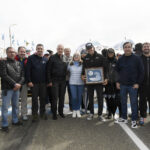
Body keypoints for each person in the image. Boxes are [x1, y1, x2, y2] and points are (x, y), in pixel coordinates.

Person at [115, 42, 144, 128]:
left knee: (134, 103)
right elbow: (117, 71)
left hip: (133, 85)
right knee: (123, 102)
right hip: (123, 85)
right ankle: (124, 118)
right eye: (125, 47)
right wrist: (117, 81)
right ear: (123, 48)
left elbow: (141, 72)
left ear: (131, 48)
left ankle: (134, 120)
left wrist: (138, 83)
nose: (127, 48)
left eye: (129, 47)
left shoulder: (137, 58)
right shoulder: (120, 59)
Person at [0, 47, 24, 132]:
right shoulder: (3, 62)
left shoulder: (18, 63)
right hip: (7, 89)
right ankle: (4, 125)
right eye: (10, 52)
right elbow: (4, 75)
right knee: (5, 108)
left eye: (13, 52)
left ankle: (15, 120)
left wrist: (19, 84)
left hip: (16, 89)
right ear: (6, 53)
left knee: (16, 106)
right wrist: (15, 84)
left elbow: (22, 76)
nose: (12, 53)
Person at [82, 43, 108, 121]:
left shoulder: (101, 57)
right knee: (91, 98)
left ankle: (100, 114)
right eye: (88, 49)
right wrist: (82, 75)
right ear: (87, 49)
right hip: (90, 82)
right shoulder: (85, 58)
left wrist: (106, 78)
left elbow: (105, 69)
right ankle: (91, 113)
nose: (90, 50)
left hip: (99, 82)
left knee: (100, 98)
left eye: (91, 48)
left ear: (93, 48)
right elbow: (84, 69)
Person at [26, 44, 48, 122]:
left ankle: (42, 113)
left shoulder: (46, 59)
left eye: (41, 48)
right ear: (36, 49)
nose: (40, 50)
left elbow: (47, 72)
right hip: (34, 83)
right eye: (38, 48)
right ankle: (34, 114)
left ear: (43, 49)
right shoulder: (31, 58)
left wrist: (48, 82)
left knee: (43, 99)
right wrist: (29, 81)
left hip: (43, 83)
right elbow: (27, 71)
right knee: (34, 100)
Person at [47, 44, 67, 120]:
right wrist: (49, 81)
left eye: (61, 49)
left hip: (63, 80)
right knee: (55, 98)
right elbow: (48, 70)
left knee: (62, 97)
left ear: (63, 49)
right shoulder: (52, 57)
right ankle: (54, 113)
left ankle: (61, 112)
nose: (60, 50)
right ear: (56, 49)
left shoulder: (64, 57)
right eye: (59, 48)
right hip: (54, 80)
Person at [104, 48, 121, 119]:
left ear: (114, 53)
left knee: (117, 99)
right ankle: (110, 113)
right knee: (108, 99)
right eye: (109, 53)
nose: (110, 54)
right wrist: (105, 78)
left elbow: (119, 72)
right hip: (107, 83)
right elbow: (103, 71)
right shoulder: (104, 61)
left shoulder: (117, 61)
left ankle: (120, 113)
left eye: (112, 52)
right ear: (107, 54)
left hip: (115, 83)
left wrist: (118, 81)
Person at [68, 53, 84, 118]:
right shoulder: (70, 64)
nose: (76, 57)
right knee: (74, 97)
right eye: (75, 56)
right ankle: (74, 110)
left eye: (77, 56)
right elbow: (66, 72)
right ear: (73, 57)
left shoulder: (83, 64)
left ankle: (78, 110)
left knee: (79, 97)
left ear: (80, 57)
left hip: (81, 83)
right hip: (72, 83)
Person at [15, 46, 28, 121]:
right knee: (15, 100)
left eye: (24, 52)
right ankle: (16, 115)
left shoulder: (27, 60)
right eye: (21, 51)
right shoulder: (14, 59)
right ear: (18, 52)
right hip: (15, 83)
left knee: (24, 99)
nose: (22, 53)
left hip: (24, 83)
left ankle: (24, 114)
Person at [139, 42, 150, 125]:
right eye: (145, 46)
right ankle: (142, 117)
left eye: (148, 46)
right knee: (142, 101)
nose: (146, 48)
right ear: (142, 48)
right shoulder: (139, 59)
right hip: (142, 85)